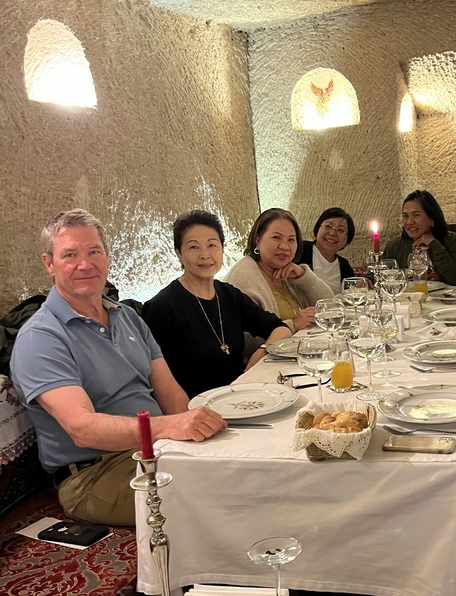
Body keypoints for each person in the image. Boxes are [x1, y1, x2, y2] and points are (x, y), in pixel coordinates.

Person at [10, 209, 226, 527]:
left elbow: (170, 394)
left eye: (94, 251)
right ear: (49, 264)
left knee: (250, 468)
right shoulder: (41, 337)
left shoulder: (127, 317)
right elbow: (82, 428)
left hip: (156, 447)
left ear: (107, 256)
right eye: (70, 254)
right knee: (217, 498)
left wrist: (196, 436)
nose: (85, 264)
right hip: (94, 473)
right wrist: (170, 427)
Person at [142, 210, 292, 399]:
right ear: (179, 254)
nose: (205, 255)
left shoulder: (228, 295)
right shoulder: (162, 308)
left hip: (243, 396)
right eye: (194, 247)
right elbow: (157, 382)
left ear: (222, 248)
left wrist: (262, 352)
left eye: (212, 245)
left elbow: (281, 329)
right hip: (198, 408)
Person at [225, 208, 332, 338]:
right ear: (257, 241)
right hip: (263, 358)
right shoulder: (243, 277)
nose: (285, 246)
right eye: (277, 237)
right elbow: (242, 338)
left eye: (291, 240)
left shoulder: (288, 272)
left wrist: (302, 276)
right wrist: (293, 325)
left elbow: (330, 304)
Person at [383, 191, 456, 285]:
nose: (409, 222)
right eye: (405, 216)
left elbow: (454, 279)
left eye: (416, 215)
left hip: (442, 298)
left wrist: (434, 245)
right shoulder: (394, 246)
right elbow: (381, 277)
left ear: (432, 218)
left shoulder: (450, 239)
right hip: (407, 298)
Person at [299, 208, 356, 293]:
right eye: (328, 226)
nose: (332, 233)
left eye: (340, 230)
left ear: (347, 241)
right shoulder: (299, 251)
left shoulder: (345, 266)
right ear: (317, 229)